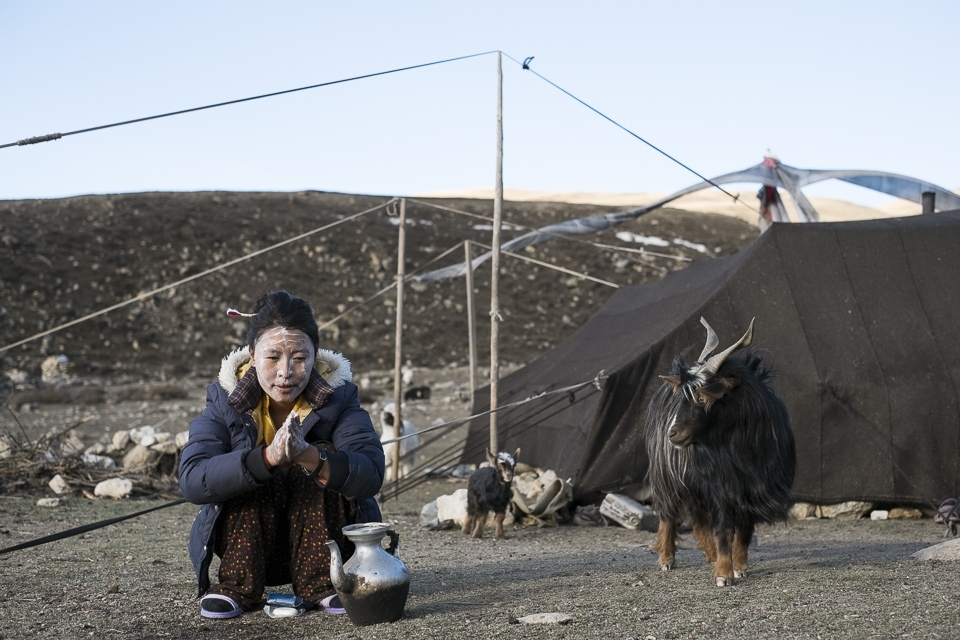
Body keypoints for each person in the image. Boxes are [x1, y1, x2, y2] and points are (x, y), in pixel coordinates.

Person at [178, 290, 385, 619]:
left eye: (300, 358)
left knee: (325, 453)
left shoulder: (340, 398)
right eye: (273, 357)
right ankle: (236, 586)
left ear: (314, 355)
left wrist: (310, 457)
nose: (286, 371)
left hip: (325, 542)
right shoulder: (223, 400)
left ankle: (323, 584)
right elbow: (192, 479)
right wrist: (266, 459)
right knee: (247, 462)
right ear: (252, 354)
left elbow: (371, 471)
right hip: (248, 546)